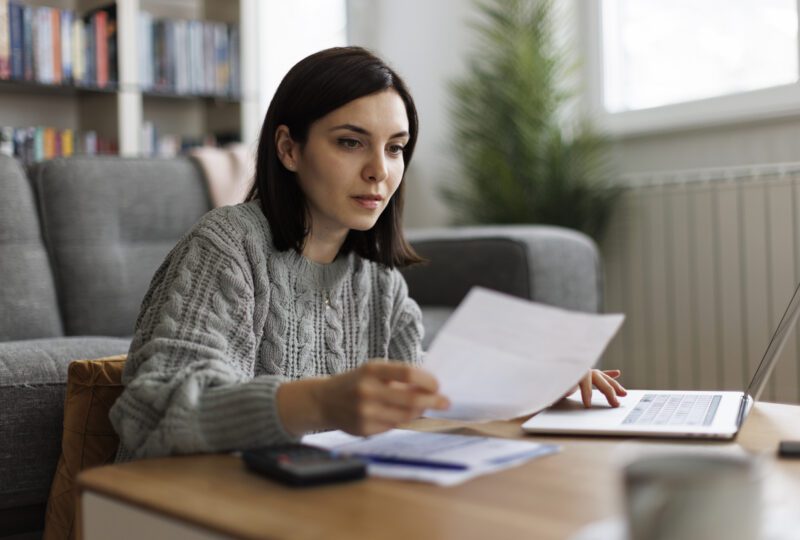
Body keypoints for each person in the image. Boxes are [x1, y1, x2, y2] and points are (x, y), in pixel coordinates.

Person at [109, 46, 626, 461]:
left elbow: (420, 399)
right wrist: (318, 401)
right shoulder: (227, 246)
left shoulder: (380, 283)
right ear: (289, 149)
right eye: (351, 142)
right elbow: (154, 414)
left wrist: (533, 386)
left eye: (396, 147)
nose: (380, 170)